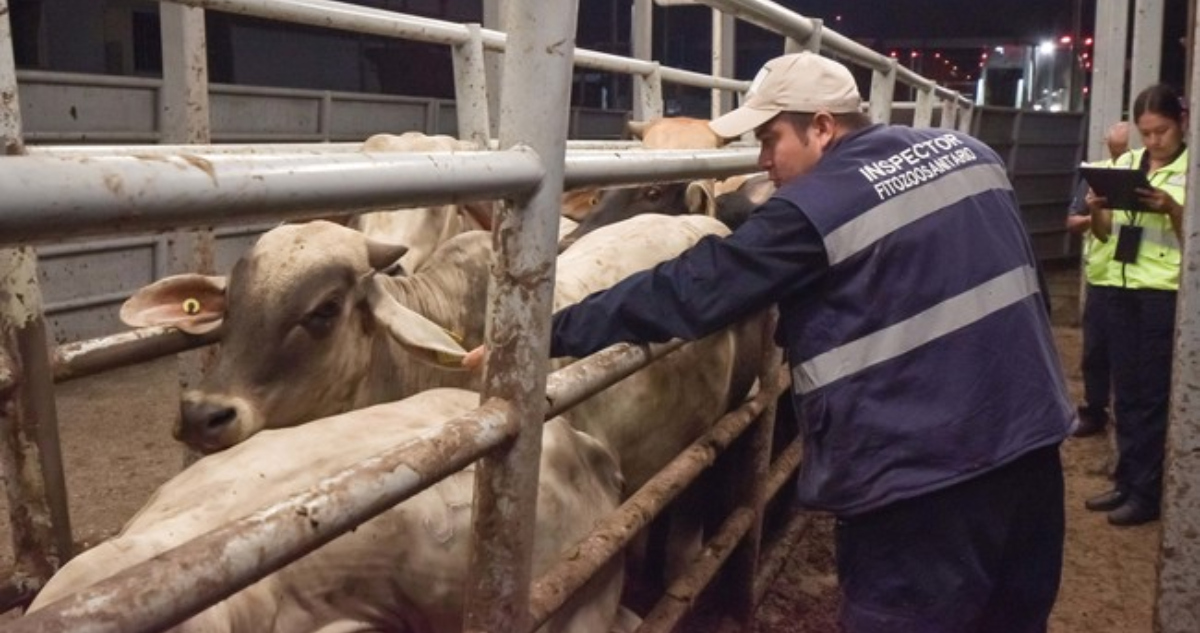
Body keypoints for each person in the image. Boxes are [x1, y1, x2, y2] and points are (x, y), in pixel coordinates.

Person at [465, 51, 1072, 632]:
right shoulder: (973, 154)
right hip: (1033, 450)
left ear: (823, 129)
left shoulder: (817, 207)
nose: (761, 161)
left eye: (769, 139)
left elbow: (693, 289)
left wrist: (542, 334)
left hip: (918, 490)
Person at [1082, 84, 1187, 527]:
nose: (1153, 141)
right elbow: (1103, 234)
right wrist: (1097, 208)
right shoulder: (1124, 164)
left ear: (1181, 123)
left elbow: (1192, 240)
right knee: (1125, 394)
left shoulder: (1190, 172)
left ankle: (1147, 492)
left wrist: (1171, 208)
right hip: (1121, 290)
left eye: (1161, 131)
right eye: (1146, 133)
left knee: (1149, 398)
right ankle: (1127, 481)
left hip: (1161, 293)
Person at [1065, 121, 1130, 437]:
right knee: (1096, 350)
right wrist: (1097, 215)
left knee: (1127, 350)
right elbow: (1073, 220)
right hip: (1103, 274)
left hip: (1137, 276)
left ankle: (1119, 410)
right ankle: (1095, 408)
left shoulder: (1146, 172)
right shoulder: (1097, 173)